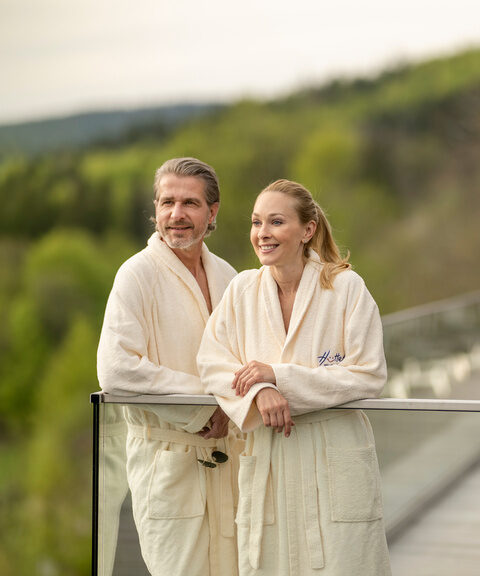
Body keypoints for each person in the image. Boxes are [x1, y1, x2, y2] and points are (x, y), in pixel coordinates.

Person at [197, 179, 391, 576]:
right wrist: (262, 391)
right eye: (256, 222)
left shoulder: (345, 288)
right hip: (270, 454)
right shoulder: (242, 291)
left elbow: (369, 374)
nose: (262, 234)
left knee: (344, 563)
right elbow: (211, 362)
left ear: (307, 230)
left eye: (276, 222)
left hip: (332, 450)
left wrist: (279, 376)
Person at [97, 157, 239, 576]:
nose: (176, 214)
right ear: (156, 208)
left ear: (212, 212)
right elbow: (117, 370)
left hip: (230, 460)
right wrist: (204, 405)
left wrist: (231, 406)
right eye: (167, 202)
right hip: (166, 462)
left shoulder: (229, 278)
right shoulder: (136, 275)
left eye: (190, 203)